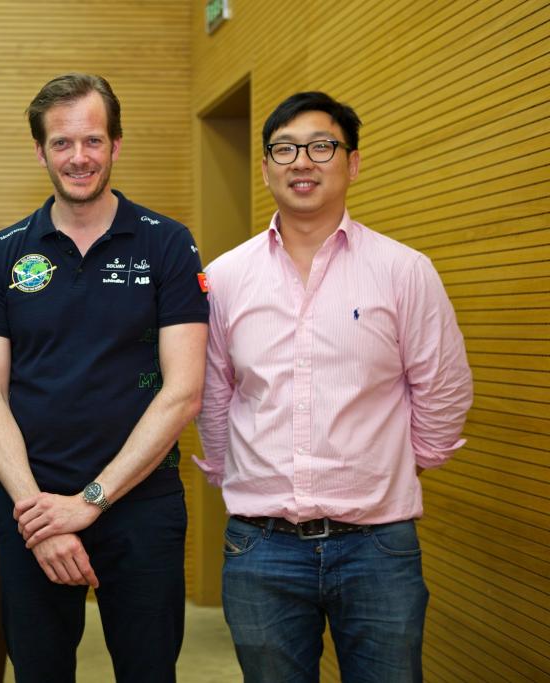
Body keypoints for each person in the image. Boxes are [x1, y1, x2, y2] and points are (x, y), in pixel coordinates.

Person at [194, 91, 473, 682]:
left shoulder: (404, 270)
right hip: (261, 547)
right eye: (285, 149)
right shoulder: (225, 277)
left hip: (378, 546)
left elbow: (442, 387)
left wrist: (401, 465)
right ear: (265, 167)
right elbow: (214, 395)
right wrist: (234, 472)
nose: (302, 162)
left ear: (353, 163)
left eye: (322, 147)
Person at [0, 73, 208, 682]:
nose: (79, 157)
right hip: (33, 506)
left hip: (141, 506)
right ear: (40, 151)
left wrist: (90, 502)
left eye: (93, 140)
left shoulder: (168, 244)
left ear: (116, 145)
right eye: (62, 143)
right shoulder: (2, 253)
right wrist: (38, 514)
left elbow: (184, 391)